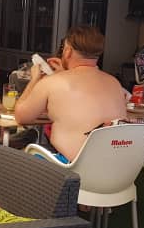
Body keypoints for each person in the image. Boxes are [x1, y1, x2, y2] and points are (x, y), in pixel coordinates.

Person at [13, 25, 127, 162]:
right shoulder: (114, 83)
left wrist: (34, 79)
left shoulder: (53, 82)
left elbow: (21, 116)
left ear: (67, 51)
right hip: (114, 167)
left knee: (17, 157)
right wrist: (65, 72)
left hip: (72, 167)